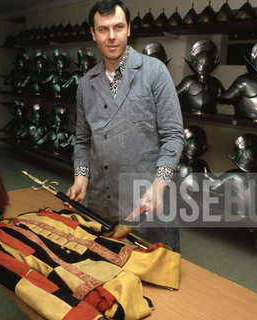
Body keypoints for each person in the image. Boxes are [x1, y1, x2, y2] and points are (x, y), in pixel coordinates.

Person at [65, 0, 184, 251]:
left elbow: (174, 136)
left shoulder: (155, 72)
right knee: (107, 275)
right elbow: (83, 141)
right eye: (103, 29)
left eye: (118, 27)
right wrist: (81, 178)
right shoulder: (86, 84)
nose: (111, 37)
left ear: (129, 29)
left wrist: (159, 184)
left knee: (153, 280)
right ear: (93, 33)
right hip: (101, 203)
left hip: (146, 201)